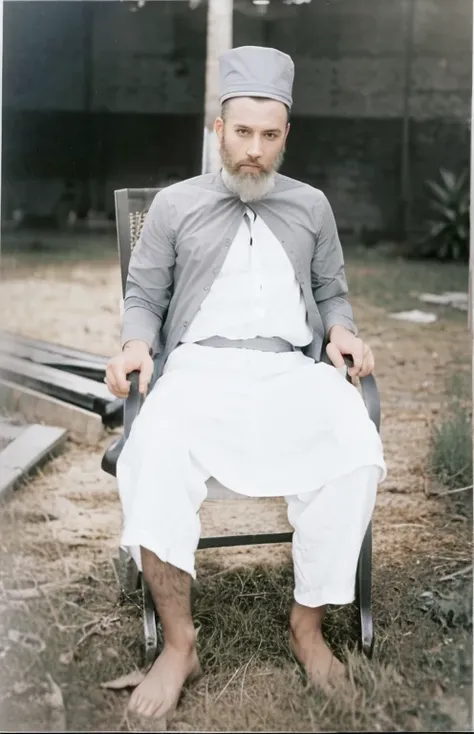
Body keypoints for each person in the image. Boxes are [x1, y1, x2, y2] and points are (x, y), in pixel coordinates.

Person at [105, 45, 386, 720]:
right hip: (198, 372)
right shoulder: (175, 207)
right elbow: (143, 296)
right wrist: (136, 346)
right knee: (152, 452)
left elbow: (331, 292)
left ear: (285, 134)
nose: (253, 151)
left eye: (268, 135)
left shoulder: (312, 206)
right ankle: (178, 645)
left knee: (354, 442)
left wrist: (342, 331)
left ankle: (307, 626)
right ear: (218, 129)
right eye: (241, 133)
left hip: (291, 371)